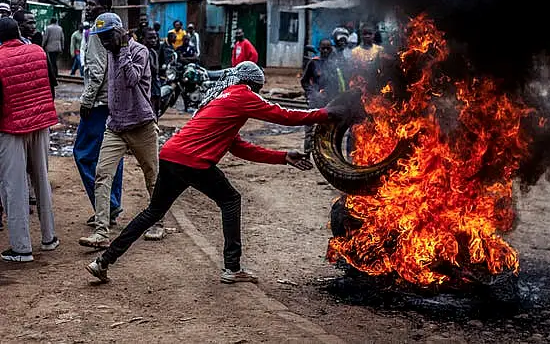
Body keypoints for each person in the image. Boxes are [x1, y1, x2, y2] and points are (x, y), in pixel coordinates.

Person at [84, 61, 356, 283]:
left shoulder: (219, 99)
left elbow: (239, 148)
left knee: (152, 213)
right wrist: (325, 113)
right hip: (192, 162)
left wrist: (283, 157)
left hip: (171, 155)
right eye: (258, 88)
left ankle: (103, 261)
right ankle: (232, 268)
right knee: (230, 200)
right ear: (252, 84)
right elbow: (283, 115)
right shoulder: (243, 95)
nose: (258, 94)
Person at [79, 13, 158, 248]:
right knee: (103, 174)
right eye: (100, 38)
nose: (103, 42)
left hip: (141, 124)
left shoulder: (139, 51)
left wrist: (123, 49)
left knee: (152, 177)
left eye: (107, 37)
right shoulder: (110, 52)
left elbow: (132, 80)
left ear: (120, 33)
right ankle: (101, 232)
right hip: (115, 126)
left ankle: (158, 222)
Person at [0, 17, 59, 262]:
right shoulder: (38, 52)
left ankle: (21, 248)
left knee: (15, 188)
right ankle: (49, 237)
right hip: (41, 125)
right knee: (41, 181)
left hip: (11, 129)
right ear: (18, 33)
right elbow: (52, 83)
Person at [73, 0, 125, 232]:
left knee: (83, 153)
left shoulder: (98, 31)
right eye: (87, 3)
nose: (87, 7)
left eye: (92, 4)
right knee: (113, 156)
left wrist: (86, 100)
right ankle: (110, 206)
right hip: (114, 102)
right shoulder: (115, 29)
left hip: (99, 105)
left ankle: (108, 205)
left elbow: (96, 70)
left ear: (105, 7)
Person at [301, 39, 347, 153]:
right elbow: (304, 81)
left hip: (331, 101)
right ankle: (307, 153)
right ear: (319, 49)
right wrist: (311, 93)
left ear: (332, 49)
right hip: (316, 100)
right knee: (310, 127)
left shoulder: (336, 64)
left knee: (331, 128)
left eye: (328, 48)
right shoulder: (314, 62)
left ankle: (329, 153)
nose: (326, 51)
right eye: (323, 48)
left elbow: (342, 81)